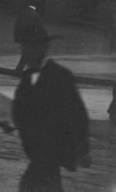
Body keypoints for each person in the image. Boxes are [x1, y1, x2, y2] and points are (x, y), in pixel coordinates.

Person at [13, 23, 90, 191]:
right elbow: (21, 111)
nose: (26, 52)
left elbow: (78, 114)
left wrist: (83, 147)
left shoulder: (60, 76)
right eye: (25, 47)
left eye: (31, 47)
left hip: (50, 151)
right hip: (38, 152)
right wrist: (2, 117)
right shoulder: (27, 78)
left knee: (32, 184)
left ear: (43, 49)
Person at [14, 0, 46, 75]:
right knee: (28, 56)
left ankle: (19, 71)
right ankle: (20, 71)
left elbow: (17, 25)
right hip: (31, 39)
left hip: (23, 38)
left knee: (25, 56)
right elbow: (39, 27)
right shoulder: (35, 14)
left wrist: (17, 37)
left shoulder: (23, 12)